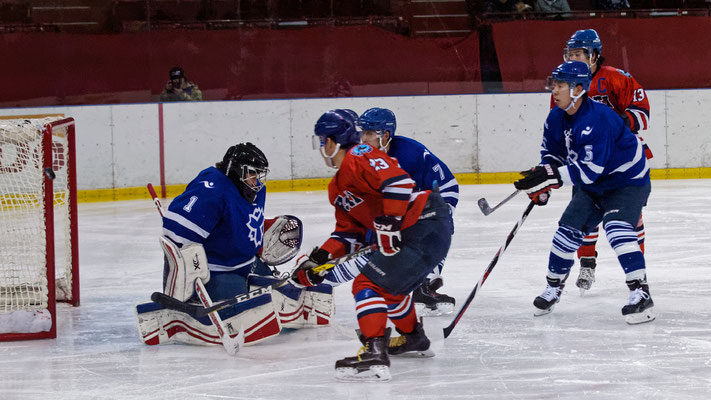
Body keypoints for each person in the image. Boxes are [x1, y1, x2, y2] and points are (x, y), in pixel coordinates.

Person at [289, 109, 452, 381]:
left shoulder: (360, 155)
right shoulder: (337, 187)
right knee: (390, 291)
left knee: (366, 285)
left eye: (321, 142)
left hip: (424, 223)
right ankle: (415, 339)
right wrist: (317, 261)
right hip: (420, 233)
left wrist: (389, 222)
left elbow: (399, 183)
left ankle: (375, 352)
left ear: (330, 142)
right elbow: (347, 234)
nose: (321, 148)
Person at [136, 143, 334, 349]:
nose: (256, 180)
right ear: (236, 170)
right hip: (218, 271)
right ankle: (182, 319)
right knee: (251, 306)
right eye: (252, 174)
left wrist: (260, 235)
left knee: (282, 293)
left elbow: (239, 221)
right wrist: (189, 266)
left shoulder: (253, 189)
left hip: (247, 263)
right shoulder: (212, 189)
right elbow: (175, 230)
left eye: (259, 174)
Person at [514, 61, 654, 325]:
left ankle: (640, 293)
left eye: (560, 85)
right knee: (566, 232)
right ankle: (553, 287)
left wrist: (552, 178)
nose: (553, 90)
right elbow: (553, 155)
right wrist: (542, 179)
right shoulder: (556, 116)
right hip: (594, 186)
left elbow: (589, 171)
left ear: (578, 88)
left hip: (626, 181)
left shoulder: (598, 118)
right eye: (553, 84)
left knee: (616, 229)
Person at [558, 29, 652, 293]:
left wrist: (620, 123)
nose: (574, 58)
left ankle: (637, 270)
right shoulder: (566, 84)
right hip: (587, 160)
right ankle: (587, 262)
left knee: (632, 218)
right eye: (571, 54)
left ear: (594, 55)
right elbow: (559, 124)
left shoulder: (616, 78)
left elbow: (642, 114)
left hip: (622, 160)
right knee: (585, 214)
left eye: (579, 54)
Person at [359, 107, 459, 316]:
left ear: (385, 135)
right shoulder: (364, 158)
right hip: (405, 204)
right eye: (363, 133)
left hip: (435, 197)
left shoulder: (411, 153)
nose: (363, 139)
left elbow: (446, 184)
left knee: (436, 231)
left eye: (369, 133)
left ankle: (425, 285)